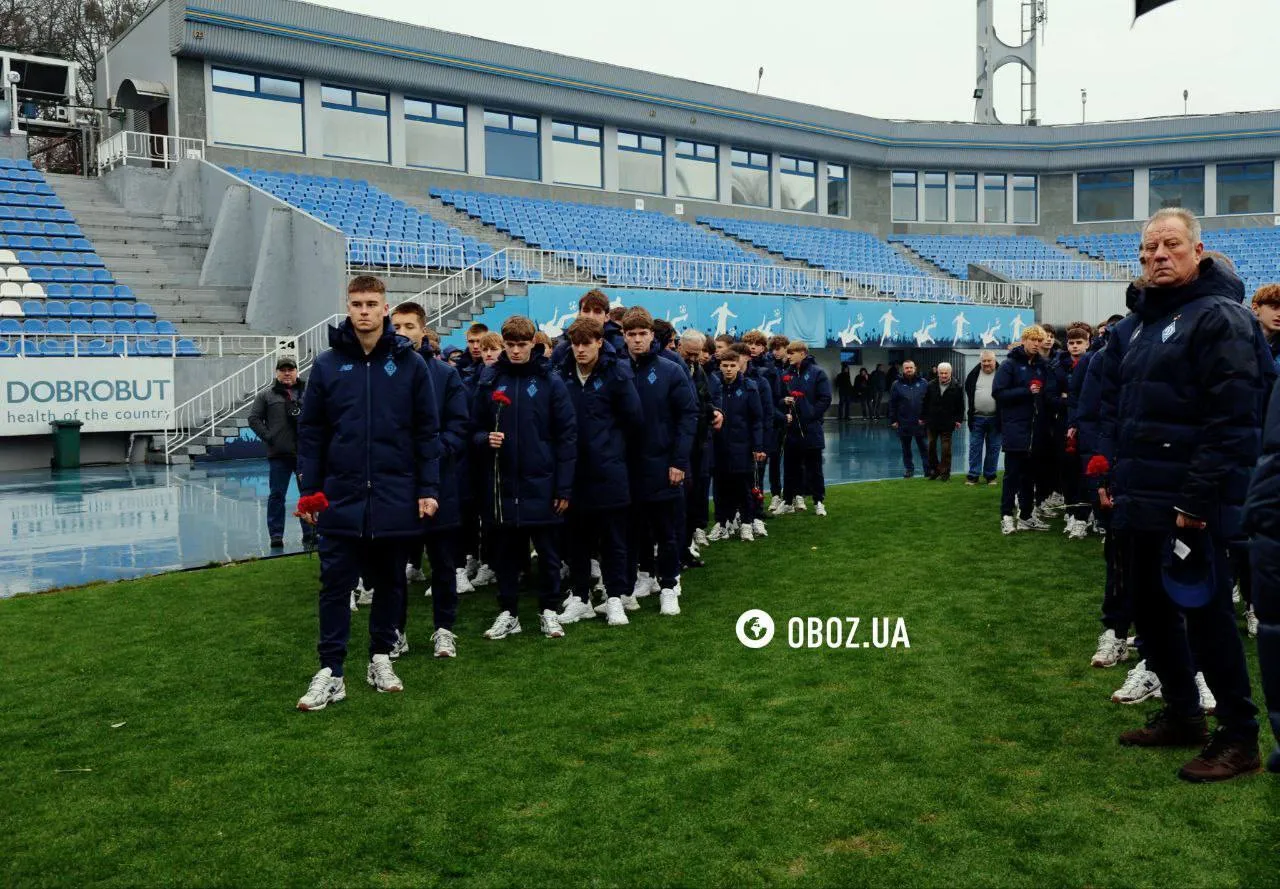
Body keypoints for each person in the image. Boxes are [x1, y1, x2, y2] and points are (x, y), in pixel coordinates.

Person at [1103, 208, 1265, 782]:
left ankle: (1240, 737)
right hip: (1142, 501)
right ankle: (1182, 715)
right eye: (1148, 250)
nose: (1157, 257)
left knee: (1207, 619)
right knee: (1150, 613)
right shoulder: (1145, 323)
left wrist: (1195, 502)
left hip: (1192, 507)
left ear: (1199, 251)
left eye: (1170, 246)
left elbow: (1234, 423)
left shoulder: (1220, 319)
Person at [294, 275, 441, 711]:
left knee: (392, 582)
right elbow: (312, 434)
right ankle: (331, 671)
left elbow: (426, 432)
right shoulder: (325, 365)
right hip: (340, 496)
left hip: (396, 493)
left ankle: (380, 657)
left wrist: (428, 487)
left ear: (385, 309)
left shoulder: (410, 364)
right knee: (335, 585)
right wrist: (309, 491)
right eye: (356, 303)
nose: (363, 310)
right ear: (348, 307)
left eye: (371, 303)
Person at [471, 316, 578, 641]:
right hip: (502, 483)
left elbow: (567, 435)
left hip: (542, 483)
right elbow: (471, 427)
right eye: (511, 345)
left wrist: (563, 486)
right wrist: (483, 439)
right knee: (505, 554)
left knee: (548, 554)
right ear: (504, 344)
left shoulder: (550, 381)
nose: (516, 351)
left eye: (522, 345)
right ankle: (509, 613)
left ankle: (549, 610)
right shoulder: (489, 379)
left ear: (534, 344)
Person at [390, 303, 469, 659]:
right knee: (393, 568)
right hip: (397, 486)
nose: (402, 332)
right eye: (397, 326)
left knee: (443, 564)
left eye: (409, 325)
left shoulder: (445, 374)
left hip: (440, 484)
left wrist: (432, 453)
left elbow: (459, 428)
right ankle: (396, 632)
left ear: (424, 331)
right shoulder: (382, 371)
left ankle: (444, 630)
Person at [555, 317, 644, 627]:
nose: (580, 350)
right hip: (572, 472)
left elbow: (634, 418)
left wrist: (612, 450)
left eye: (586, 343)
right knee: (576, 539)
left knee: (613, 540)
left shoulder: (617, 373)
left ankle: (615, 598)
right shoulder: (561, 373)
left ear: (599, 343)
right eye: (575, 344)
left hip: (610, 471)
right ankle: (580, 598)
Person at [623, 307, 698, 616]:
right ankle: (643, 578)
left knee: (667, 532)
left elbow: (688, 415)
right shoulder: (616, 369)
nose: (638, 340)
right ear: (624, 337)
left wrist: (679, 461)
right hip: (627, 467)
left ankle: (669, 585)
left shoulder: (670, 369)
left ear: (652, 335)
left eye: (643, 334)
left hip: (665, 465)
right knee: (634, 530)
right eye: (632, 335)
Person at [994, 324, 1056, 534]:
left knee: (1030, 476)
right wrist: (1025, 391)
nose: (1037, 344)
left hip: (1036, 429)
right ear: (1024, 340)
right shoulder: (1009, 365)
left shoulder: (1043, 366)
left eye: (1040, 341)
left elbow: (1047, 394)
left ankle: (1027, 516)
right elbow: (999, 393)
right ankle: (1006, 516)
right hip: (1015, 428)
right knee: (1012, 475)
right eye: (1033, 340)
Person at [248, 357, 311, 549]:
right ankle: (276, 535)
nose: (287, 373)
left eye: (290, 369)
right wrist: (270, 437)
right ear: (277, 373)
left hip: (304, 454)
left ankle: (310, 532)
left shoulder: (308, 392)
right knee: (277, 495)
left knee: (307, 495)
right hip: (279, 455)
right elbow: (254, 418)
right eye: (282, 370)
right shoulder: (266, 395)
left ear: (296, 371)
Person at [711, 345, 764, 540]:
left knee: (743, 488)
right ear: (720, 366)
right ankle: (722, 523)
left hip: (742, 446)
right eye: (725, 365)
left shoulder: (749, 387)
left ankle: (747, 524)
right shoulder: (714, 387)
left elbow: (757, 419)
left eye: (732, 365)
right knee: (720, 488)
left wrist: (758, 446)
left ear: (738, 365)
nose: (728, 369)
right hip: (719, 446)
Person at [781, 341, 831, 516]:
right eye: (788, 353)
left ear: (802, 353)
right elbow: (779, 397)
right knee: (790, 467)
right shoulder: (786, 374)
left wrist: (810, 415)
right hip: (791, 429)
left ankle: (818, 502)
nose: (789, 356)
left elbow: (825, 398)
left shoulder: (817, 373)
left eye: (792, 353)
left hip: (811, 429)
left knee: (814, 467)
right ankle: (788, 501)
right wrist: (783, 403)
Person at [964, 351, 1001, 486]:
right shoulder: (973, 374)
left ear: (994, 360)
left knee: (994, 448)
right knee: (975, 447)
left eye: (989, 361)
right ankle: (973, 475)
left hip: (996, 419)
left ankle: (990, 476)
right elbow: (969, 390)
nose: (986, 363)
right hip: (977, 418)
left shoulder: (1002, 373)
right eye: (983, 361)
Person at [923, 362, 964, 482]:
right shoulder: (930, 385)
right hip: (932, 421)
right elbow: (925, 402)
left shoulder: (957, 386)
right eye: (941, 373)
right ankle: (935, 470)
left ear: (950, 373)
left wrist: (958, 419)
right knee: (931, 446)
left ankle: (945, 472)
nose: (944, 375)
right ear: (938, 373)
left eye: (946, 373)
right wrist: (923, 417)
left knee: (946, 448)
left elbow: (960, 405)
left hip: (948, 422)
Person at [888, 359, 928, 479]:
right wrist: (893, 420)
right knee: (906, 448)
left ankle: (928, 469)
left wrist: (926, 418)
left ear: (915, 368)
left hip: (920, 422)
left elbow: (928, 402)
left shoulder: (924, 383)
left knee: (924, 448)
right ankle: (909, 469)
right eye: (906, 368)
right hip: (903, 422)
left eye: (911, 367)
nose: (909, 370)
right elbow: (892, 404)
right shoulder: (896, 385)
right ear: (903, 369)